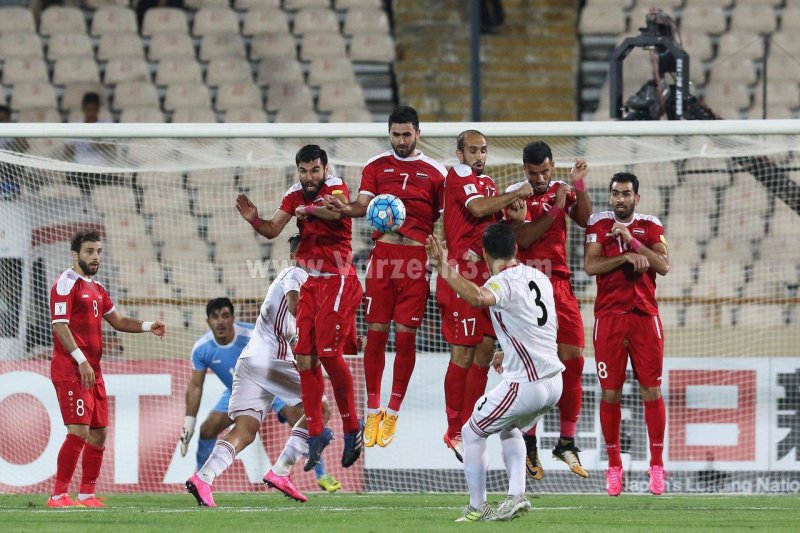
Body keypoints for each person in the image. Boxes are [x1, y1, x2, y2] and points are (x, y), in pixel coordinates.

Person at [324, 106, 446, 449]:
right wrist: (344, 209)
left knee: (406, 338)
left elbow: (446, 218)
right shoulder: (375, 166)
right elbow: (362, 204)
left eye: (407, 134)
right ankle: (373, 410)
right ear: (389, 133)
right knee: (376, 335)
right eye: (396, 134)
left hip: (416, 260)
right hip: (383, 258)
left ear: (418, 133)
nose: (401, 140)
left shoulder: (437, 173)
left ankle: (393, 411)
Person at [236, 144, 364, 472]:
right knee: (305, 357)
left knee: (329, 355)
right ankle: (316, 432)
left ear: (325, 169)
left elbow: (336, 213)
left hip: (338, 278)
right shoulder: (294, 194)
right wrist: (255, 220)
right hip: (309, 281)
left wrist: (308, 210)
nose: (309, 177)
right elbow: (272, 229)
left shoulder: (336, 186)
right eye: (304, 171)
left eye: (315, 170)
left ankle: (353, 428)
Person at [426, 224, 563, 522]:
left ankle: (478, 507)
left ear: (485, 254)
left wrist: (443, 267)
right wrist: (507, 352)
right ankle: (516, 496)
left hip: (527, 384)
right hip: (554, 382)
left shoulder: (503, 282)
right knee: (508, 426)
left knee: (471, 432)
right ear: (516, 248)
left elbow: (477, 297)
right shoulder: (539, 276)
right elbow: (536, 324)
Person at [186, 234, 336, 506]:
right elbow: (297, 308)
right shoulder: (295, 274)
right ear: (294, 256)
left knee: (246, 429)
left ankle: (204, 477)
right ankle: (281, 471)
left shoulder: (304, 285)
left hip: (250, 363)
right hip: (270, 358)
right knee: (321, 408)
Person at [48, 229, 166, 508]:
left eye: (99, 252)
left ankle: (86, 494)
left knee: (99, 432)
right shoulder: (65, 284)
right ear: (75, 254)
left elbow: (119, 321)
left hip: (92, 370)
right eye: (89, 251)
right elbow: (59, 326)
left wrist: (148, 326)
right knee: (78, 431)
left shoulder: (98, 289)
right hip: (71, 369)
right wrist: (81, 360)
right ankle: (58, 495)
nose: (95, 257)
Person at [438, 129, 531, 461]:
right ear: (460, 154)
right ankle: (453, 430)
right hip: (460, 274)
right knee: (462, 353)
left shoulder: (489, 184)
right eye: (473, 150)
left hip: (485, 276)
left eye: (484, 150)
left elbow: (492, 227)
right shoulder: (457, 175)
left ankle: (469, 426)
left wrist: (514, 218)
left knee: (484, 351)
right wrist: (516, 193)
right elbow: (477, 209)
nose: (479, 156)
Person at [505, 141, 591, 480]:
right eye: (533, 173)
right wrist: (555, 209)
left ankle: (566, 441)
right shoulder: (515, 194)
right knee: (535, 368)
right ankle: (529, 440)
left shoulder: (560, 189)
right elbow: (523, 239)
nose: (539, 179)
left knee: (574, 359)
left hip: (560, 284)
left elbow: (585, 219)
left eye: (544, 172)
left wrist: (578, 185)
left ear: (552, 167)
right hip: (528, 287)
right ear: (524, 169)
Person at [584, 172, 670, 497]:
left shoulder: (650, 225)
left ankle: (657, 465)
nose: (620, 199)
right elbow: (591, 266)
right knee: (610, 394)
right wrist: (623, 256)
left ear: (637, 198)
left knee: (651, 390)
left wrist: (633, 242)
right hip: (609, 320)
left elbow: (663, 265)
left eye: (626, 194)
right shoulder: (598, 223)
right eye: (615, 193)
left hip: (645, 318)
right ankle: (614, 466)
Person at [178, 298, 253, 472]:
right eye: (215, 317)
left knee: (298, 418)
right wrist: (188, 424)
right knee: (207, 430)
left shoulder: (253, 335)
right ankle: (201, 478)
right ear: (208, 321)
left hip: (269, 389)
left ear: (233, 319)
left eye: (225, 316)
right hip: (237, 394)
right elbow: (195, 386)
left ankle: (317, 475)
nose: (220, 322)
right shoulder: (202, 348)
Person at [270, 396, 341, 493]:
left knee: (305, 430)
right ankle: (280, 472)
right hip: (274, 393)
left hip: (290, 391)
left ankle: (321, 475)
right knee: (303, 430)